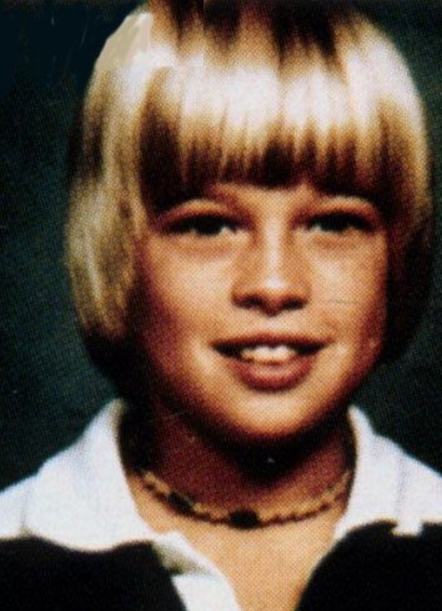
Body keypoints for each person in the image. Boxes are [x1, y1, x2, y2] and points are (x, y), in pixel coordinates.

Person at [0, 1, 441, 610]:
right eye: (208, 226)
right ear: (117, 254)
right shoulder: (17, 542)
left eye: (334, 223)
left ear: (397, 256)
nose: (274, 284)